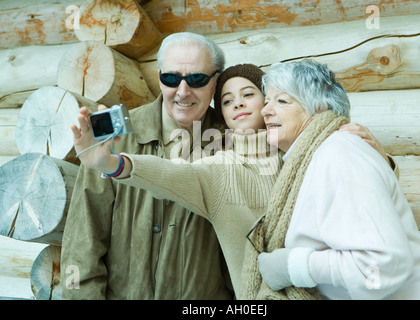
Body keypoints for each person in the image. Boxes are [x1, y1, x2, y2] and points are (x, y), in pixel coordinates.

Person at [69, 62, 397, 299]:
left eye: (248, 94)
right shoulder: (221, 169)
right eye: (226, 100)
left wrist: (382, 159)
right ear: (222, 115)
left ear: (269, 102)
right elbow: (171, 173)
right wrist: (112, 163)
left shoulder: (309, 156)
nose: (237, 103)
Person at [242, 59, 420, 300]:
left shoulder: (338, 153)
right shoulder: (310, 161)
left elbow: (380, 266)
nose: (265, 110)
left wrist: (293, 266)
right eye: (267, 101)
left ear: (319, 108)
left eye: (281, 101)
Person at [60, 32, 233, 300]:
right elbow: (82, 242)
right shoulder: (116, 137)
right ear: (159, 75)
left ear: (216, 81)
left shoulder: (231, 142)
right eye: (171, 78)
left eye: (197, 79)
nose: (183, 91)